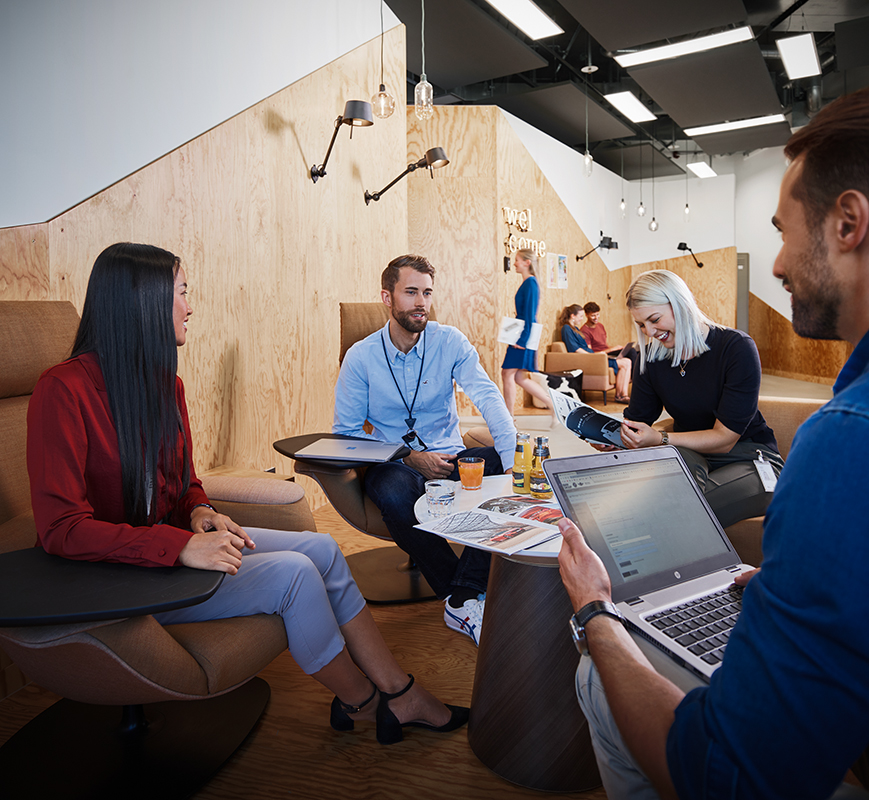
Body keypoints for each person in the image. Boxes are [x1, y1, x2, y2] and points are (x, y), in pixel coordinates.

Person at [557, 77, 869, 800]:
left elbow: (730, 776)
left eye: (782, 232)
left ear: (848, 223)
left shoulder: (866, 439)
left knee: (595, 674)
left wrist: (595, 615)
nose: (782, 265)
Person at [26, 242, 467, 745]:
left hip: (166, 551)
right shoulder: (62, 391)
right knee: (296, 576)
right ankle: (364, 704)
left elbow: (186, 483)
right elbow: (61, 530)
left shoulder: (164, 385)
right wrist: (180, 546)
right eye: (182, 293)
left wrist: (199, 512)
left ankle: (396, 688)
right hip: (116, 575)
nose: (190, 307)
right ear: (142, 301)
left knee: (321, 547)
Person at [334, 254, 517, 646]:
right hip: (394, 464)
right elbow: (346, 435)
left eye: (427, 293)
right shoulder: (361, 357)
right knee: (392, 490)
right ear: (387, 297)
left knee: (509, 464)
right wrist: (408, 456)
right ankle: (464, 592)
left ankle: (462, 594)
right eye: (411, 292)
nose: (421, 302)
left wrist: (514, 460)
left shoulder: (449, 341)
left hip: (453, 458)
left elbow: (487, 396)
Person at [619, 270, 783, 528]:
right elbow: (637, 420)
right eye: (641, 325)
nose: (649, 331)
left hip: (750, 457)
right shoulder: (650, 358)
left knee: (680, 510)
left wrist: (659, 438)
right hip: (689, 452)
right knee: (660, 501)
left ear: (680, 305)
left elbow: (725, 440)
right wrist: (613, 437)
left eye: (654, 319)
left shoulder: (736, 348)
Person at [501, 248, 551, 413]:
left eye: (517, 259)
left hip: (523, 335)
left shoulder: (530, 283)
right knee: (519, 377)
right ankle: (552, 406)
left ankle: (508, 418)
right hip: (522, 333)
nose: (514, 263)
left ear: (526, 262)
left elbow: (529, 315)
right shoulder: (529, 283)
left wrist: (521, 340)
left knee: (507, 374)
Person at [559, 304, 633, 402]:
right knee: (625, 362)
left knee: (627, 361)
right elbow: (575, 349)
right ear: (573, 316)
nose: (581, 319)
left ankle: (622, 395)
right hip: (589, 359)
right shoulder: (566, 329)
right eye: (580, 316)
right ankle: (620, 396)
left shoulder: (575, 329)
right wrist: (594, 356)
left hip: (593, 357)